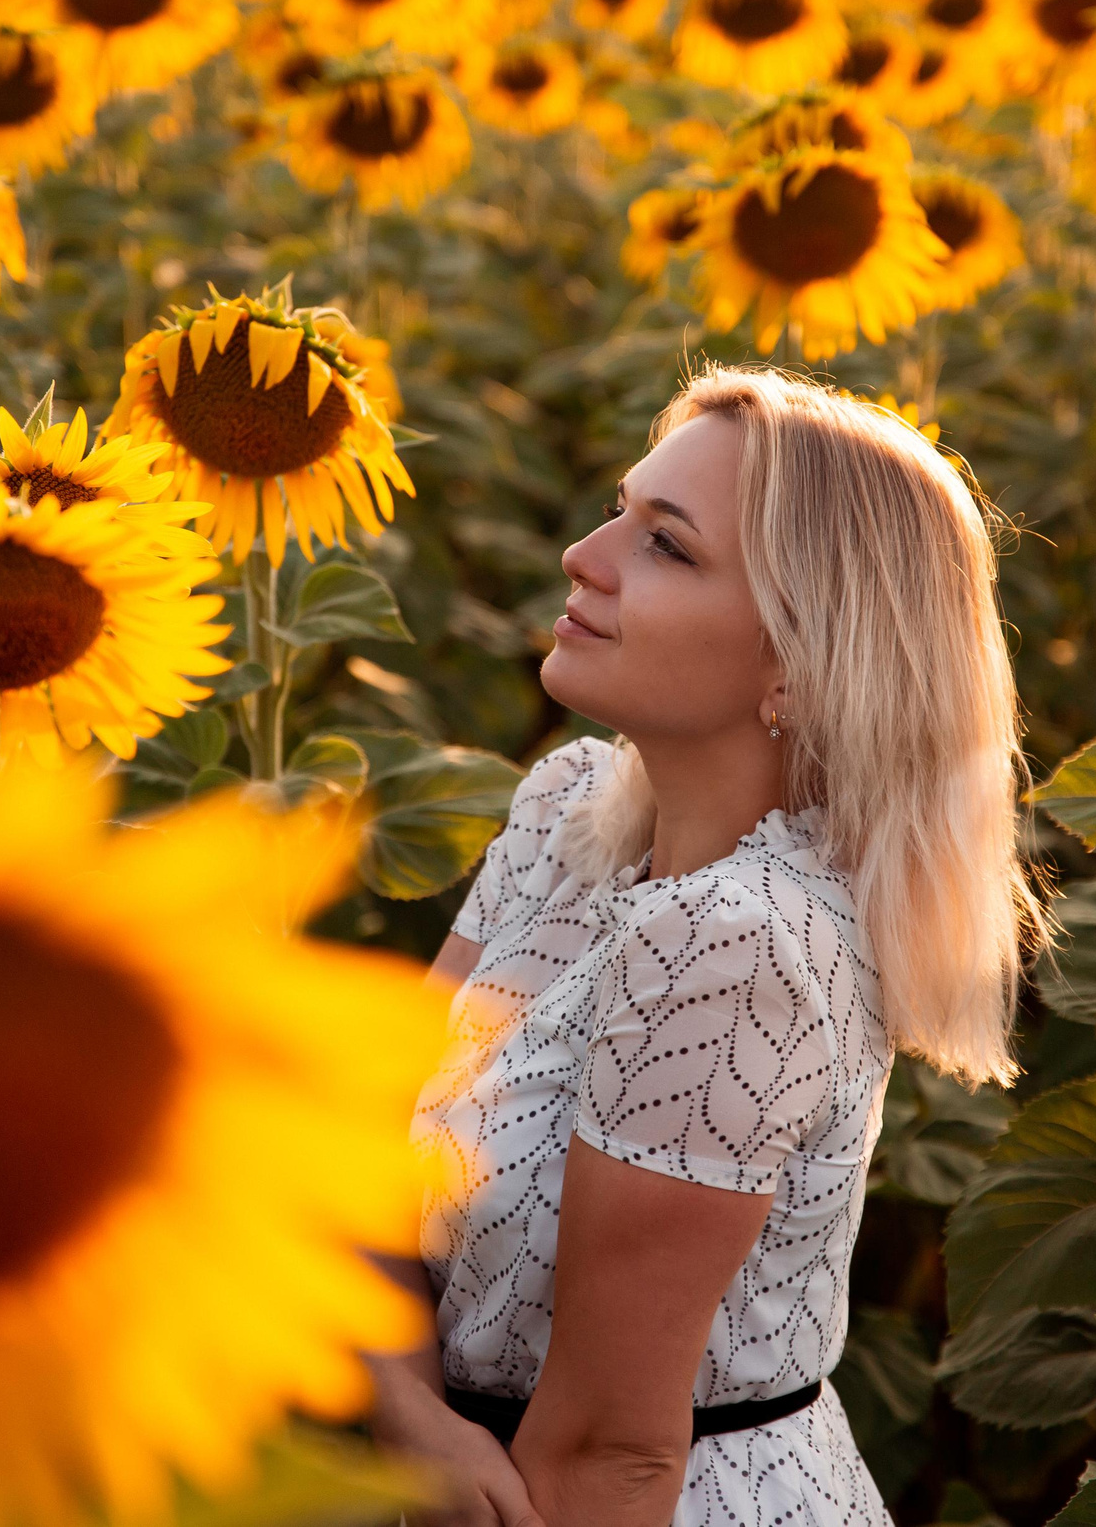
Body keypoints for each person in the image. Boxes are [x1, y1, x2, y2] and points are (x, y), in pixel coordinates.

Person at [368, 366, 1046, 1527]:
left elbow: (614, 1454)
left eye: (665, 545)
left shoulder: (741, 946)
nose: (585, 554)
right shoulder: (569, 816)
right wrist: (413, 1416)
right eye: (619, 509)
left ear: (798, 659)